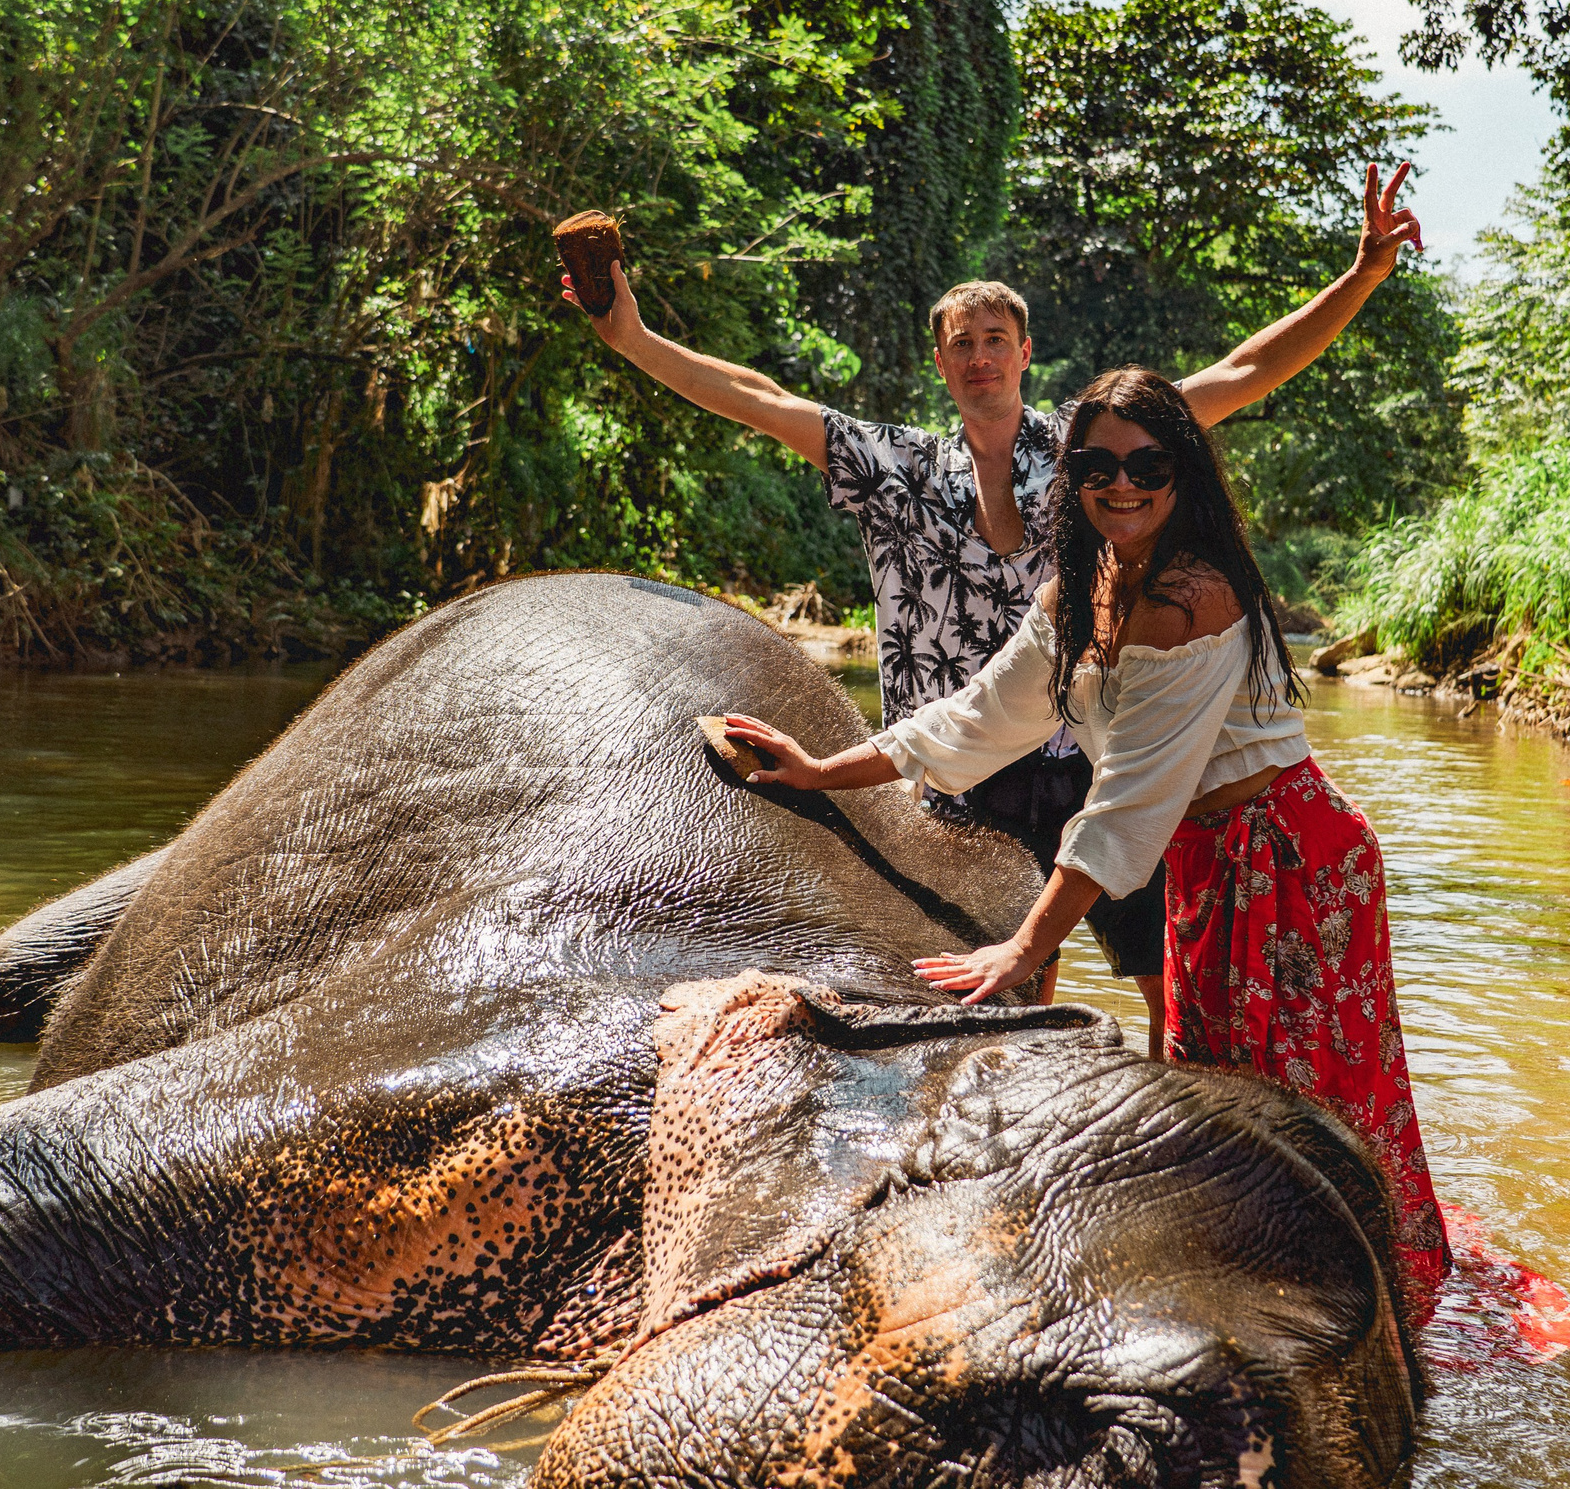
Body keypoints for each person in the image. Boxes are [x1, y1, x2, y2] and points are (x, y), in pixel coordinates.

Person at [562, 165, 1423, 1040]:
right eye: (961, 341)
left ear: (1024, 352)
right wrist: (630, 335)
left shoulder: (1097, 451)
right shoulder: (891, 469)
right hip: (970, 774)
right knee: (1003, 1005)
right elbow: (758, 398)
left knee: (1177, 997)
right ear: (941, 362)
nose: (979, 355)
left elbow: (1242, 370)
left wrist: (1358, 278)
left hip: (1104, 754)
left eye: (995, 337)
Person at [714, 367, 1453, 1326]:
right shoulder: (1084, 590)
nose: (1123, 484)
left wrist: (1022, 950)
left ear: (1182, 467)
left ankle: (1383, 1305)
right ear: (1072, 476)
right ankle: (1257, 1293)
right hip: (1203, 862)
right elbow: (980, 717)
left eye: (1147, 461)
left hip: (1290, 861)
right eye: (1097, 464)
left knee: (1308, 1103)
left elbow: (1121, 805)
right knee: (1219, 1091)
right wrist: (822, 770)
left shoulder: (1194, 600)